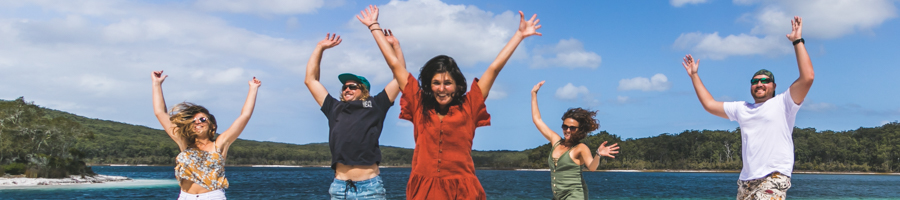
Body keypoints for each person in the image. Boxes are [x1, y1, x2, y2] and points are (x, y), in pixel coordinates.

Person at [356, 5, 542, 199]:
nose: (442, 89)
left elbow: (494, 68)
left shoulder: (470, 105)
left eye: (447, 83)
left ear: (457, 85)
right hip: (424, 189)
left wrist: (519, 35)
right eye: (436, 83)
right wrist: (374, 26)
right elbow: (394, 65)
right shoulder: (419, 104)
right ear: (429, 85)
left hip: (462, 190)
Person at [681, 16, 813, 200]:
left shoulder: (784, 103)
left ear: (774, 86)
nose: (759, 84)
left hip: (773, 177)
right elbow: (709, 105)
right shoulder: (742, 108)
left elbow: (807, 78)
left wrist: (797, 41)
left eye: (765, 81)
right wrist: (694, 75)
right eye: (755, 81)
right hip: (745, 181)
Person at [304, 32, 400, 200]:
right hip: (340, 189)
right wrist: (319, 48)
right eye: (344, 87)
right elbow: (311, 80)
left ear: (364, 90)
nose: (347, 89)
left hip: (370, 188)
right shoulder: (334, 107)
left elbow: (400, 78)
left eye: (353, 86)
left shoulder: (376, 105)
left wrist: (395, 46)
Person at [151, 70, 261, 200]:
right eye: (194, 121)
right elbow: (160, 113)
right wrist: (156, 84)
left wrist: (253, 89)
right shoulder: (185, 143)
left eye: (202, 119)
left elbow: (244, 116)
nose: (197, 122)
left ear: (212, 125)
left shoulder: (219, 144)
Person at [530, 81, 619, 200]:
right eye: (565, 126)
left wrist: (598, 154)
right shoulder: (556, 141)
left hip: (575, 196)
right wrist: (534, 94)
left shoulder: (580, 148)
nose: (567, 130)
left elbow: (592, 167)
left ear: (579, 130)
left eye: (572, 128)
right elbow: (537, 120)